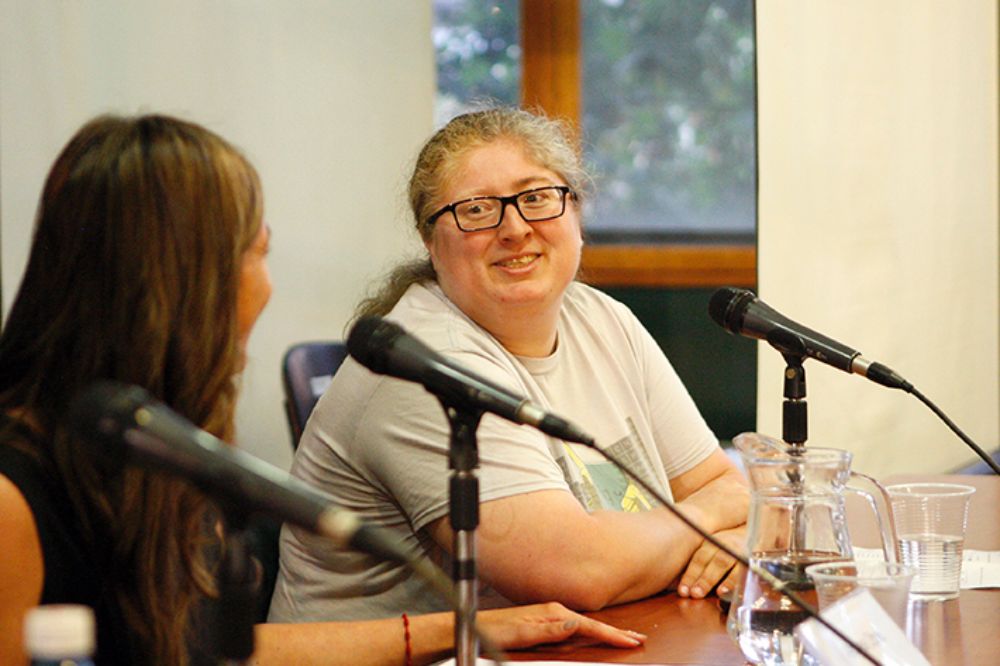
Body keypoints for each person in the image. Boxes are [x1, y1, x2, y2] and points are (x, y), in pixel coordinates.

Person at [0, 114, 645, 664]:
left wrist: (465, 627)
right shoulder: (13, 499)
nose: (266, 285)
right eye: (257, 253)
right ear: (179, 288)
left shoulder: (153, 443)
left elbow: (207, 648)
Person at [270, 107, 750, 624]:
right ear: (430, 241)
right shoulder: (423, 366)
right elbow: (579, 572)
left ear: (575, 211)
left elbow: (730, 487)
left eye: (537, 198)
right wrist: (706, 522)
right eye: (476, 210)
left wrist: (735, 533)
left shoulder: (604, 318)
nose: (515, 228)